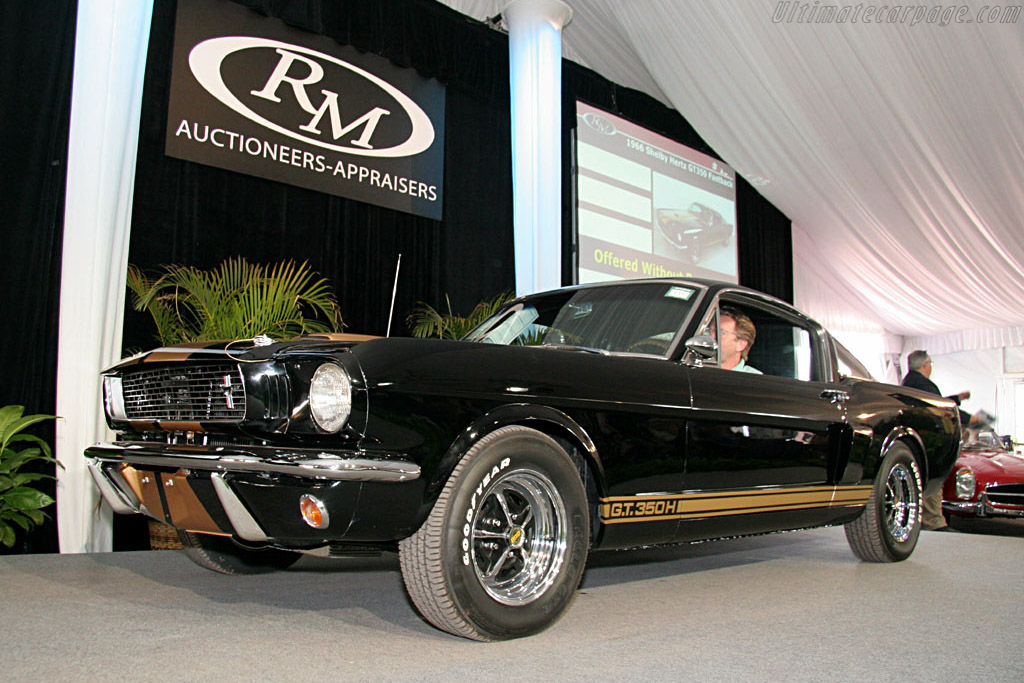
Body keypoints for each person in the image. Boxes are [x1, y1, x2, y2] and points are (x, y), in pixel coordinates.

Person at [901, 349, 971, 532]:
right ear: (925, 365)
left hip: (917, 441)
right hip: (929, 442)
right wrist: (970, 419)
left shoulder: (909, 382)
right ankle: (934, 522)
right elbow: (939, 408)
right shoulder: (923, 384)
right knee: (933, 478)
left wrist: (957, 399)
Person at [720, 307, 762, 374]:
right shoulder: (699, 371)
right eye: (708, 331)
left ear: (741, 344)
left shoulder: (754, 380)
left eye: (721, 333)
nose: (711, 336)